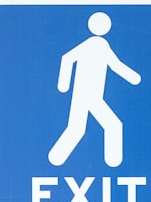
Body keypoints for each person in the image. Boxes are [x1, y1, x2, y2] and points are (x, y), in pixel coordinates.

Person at [49, 12, 141, 168]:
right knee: (113, 125)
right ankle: (113, 162)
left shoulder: (99, 45)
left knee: (76, 129)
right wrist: (63, 85)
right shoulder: (96, 44)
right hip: (90, 96)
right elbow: (67, 58)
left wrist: (133, 77)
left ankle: (56, 158)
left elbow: (114, 65)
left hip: (84, 96)